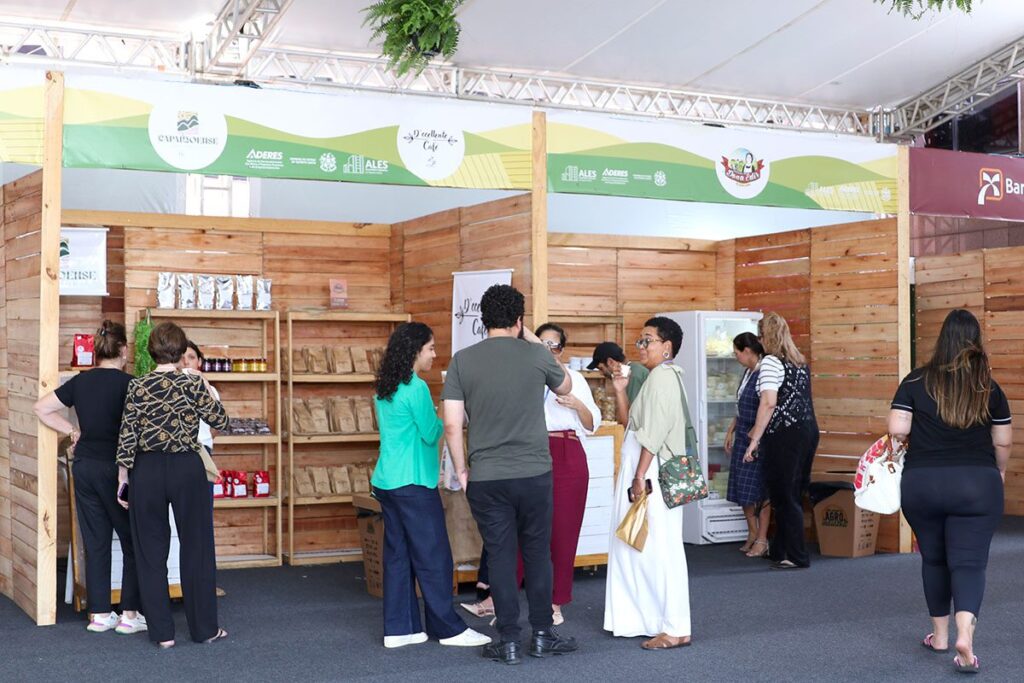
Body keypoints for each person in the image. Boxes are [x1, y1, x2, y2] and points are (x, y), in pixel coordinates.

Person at [442, 284, 576, 665]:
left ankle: (510, 641)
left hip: (487, 476)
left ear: (483, 320)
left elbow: (452, 425)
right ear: (519, 320)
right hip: (534, 473)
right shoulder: (537, 355)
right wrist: (530, 336)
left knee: (501, 556)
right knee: (537, 554)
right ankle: (542, 635)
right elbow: (566, 385)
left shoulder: (462, 361)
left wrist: (461, 469)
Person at [888, 309, 1011, 675]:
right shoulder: (988, 387)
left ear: (942, 340)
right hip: (977, 484)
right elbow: (1002, 441)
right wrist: (999, 472)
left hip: (923, 484)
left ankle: (940, 637)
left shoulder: (914, 381)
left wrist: (901, 445)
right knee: (969, 562)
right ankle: (965, 637)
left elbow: (897, 429)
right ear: (975, 341)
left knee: (934, 558)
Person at [371, 322, 491, 650]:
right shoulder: (417, 388)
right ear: (415, 351)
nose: (434, 355)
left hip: (387, 482)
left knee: (398, 556)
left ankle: (401, 629)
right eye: (430, 348)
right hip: (413, 484)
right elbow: (431, 432)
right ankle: (449, 629)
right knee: (434, 556)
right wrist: (451, 413)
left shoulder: (384, 386)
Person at [116, 321, 229, 649]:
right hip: (187, 468)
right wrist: (202, 383)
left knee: (150, 551)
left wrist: (123, 480)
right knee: (197, 548)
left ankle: (162, 634)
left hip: (146, 470)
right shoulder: (192, 383)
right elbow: (221, 420)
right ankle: (204, 629)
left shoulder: (137, 386)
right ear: (181, 352)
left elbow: (127, 437)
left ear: (151, 351)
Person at [34, 320, 146, 635]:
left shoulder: (80, 382)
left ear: (96, 351)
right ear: (123, 350)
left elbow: (41, 408)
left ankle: (99, 614)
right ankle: (129, 614)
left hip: (84, 468)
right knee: (132, 541)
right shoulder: (131, 385)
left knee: (95, 542)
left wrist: (73, 430)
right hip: (118, 470)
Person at [604, 317, 692, 649]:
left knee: (658, 548)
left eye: (648, 340)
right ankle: (653, 620)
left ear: (666, 346)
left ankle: (675, 626)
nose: (641, 347)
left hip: (651, 472)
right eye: (640, 341)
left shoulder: (664, 378)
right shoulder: (657, 378)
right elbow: (631, 424)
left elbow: (653, 435)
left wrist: (639, 476)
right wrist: (620, 391)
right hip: (643, 468)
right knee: (640, 546)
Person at [529, 323, 602, 625]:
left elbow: (592, 423)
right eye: (542, 344)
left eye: (554, 345)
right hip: (530, 452)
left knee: (563, 531)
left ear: (562, 349)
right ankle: (500, 598)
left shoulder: (575, 379)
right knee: (524, 527)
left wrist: (577, 404)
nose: (549, 350)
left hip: (566, 451)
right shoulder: (525, 376)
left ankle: (556, 601)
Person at [743, 312, 819, 570]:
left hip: (784, 434)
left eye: (760, 336)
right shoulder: (799, 362)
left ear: (766, 336)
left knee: (783, 495)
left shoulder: (771, 362)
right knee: (794, 492)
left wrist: (754, 439)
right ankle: (781, 550)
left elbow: (768, 402)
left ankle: (797, 556)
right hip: (807, 431)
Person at [724, 332, 771, 558]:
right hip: (742, 433)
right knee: (743, 488)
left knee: (760, 491)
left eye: (737, 353)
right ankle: (752, 532)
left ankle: (762, 537)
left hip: (757, 437)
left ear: (749, 351)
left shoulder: (764, 374)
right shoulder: (747, 373)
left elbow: (767, 406)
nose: (736, 357)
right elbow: (740, 407)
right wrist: (731, 430)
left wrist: (756, 437)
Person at [588, 341, 650, 426]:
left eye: (601, 368)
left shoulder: (634, 375)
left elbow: (631, 417)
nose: (601, 373)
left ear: (610, 362)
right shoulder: (632, 371)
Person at [182, 340, 220, 455]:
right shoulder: (169, 390)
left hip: (202, 449)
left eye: (191, 357)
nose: (186, 362)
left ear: (199, 362)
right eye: (181, 357)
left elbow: (216, 425)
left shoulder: (210, 390)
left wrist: (204, 441)